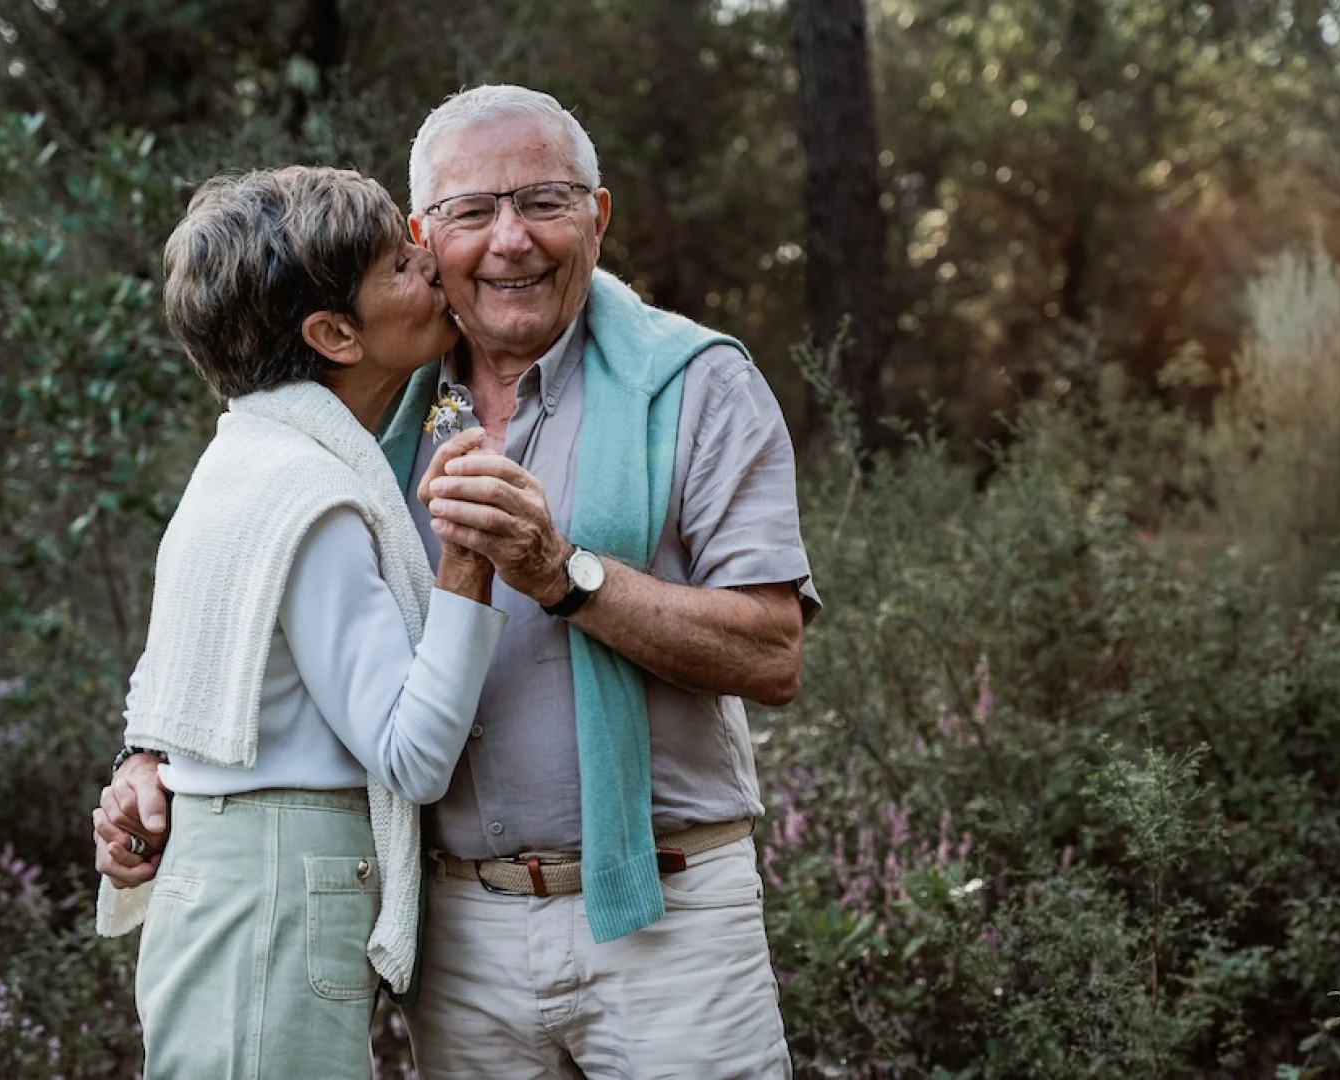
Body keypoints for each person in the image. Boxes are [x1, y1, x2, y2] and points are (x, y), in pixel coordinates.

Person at [98, 85, 818, 1079]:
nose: (510, 240)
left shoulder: (695, 385)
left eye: (545, 203)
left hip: (667, 920)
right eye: (472, 212)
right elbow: (240, 584)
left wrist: (562, 575)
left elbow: (772, 652)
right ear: (421, 236)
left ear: (597, 216)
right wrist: (154, 758)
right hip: (457, 933)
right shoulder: (357, 421)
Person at [93, 165, 508, 1080]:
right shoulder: (311, 496)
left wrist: (139, 762)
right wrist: (467, 562)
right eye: (400, 264)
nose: (432, 260)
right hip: (278, 891)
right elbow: (410, 755)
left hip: (232, 885)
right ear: (333, 334)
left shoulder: (243, 460)